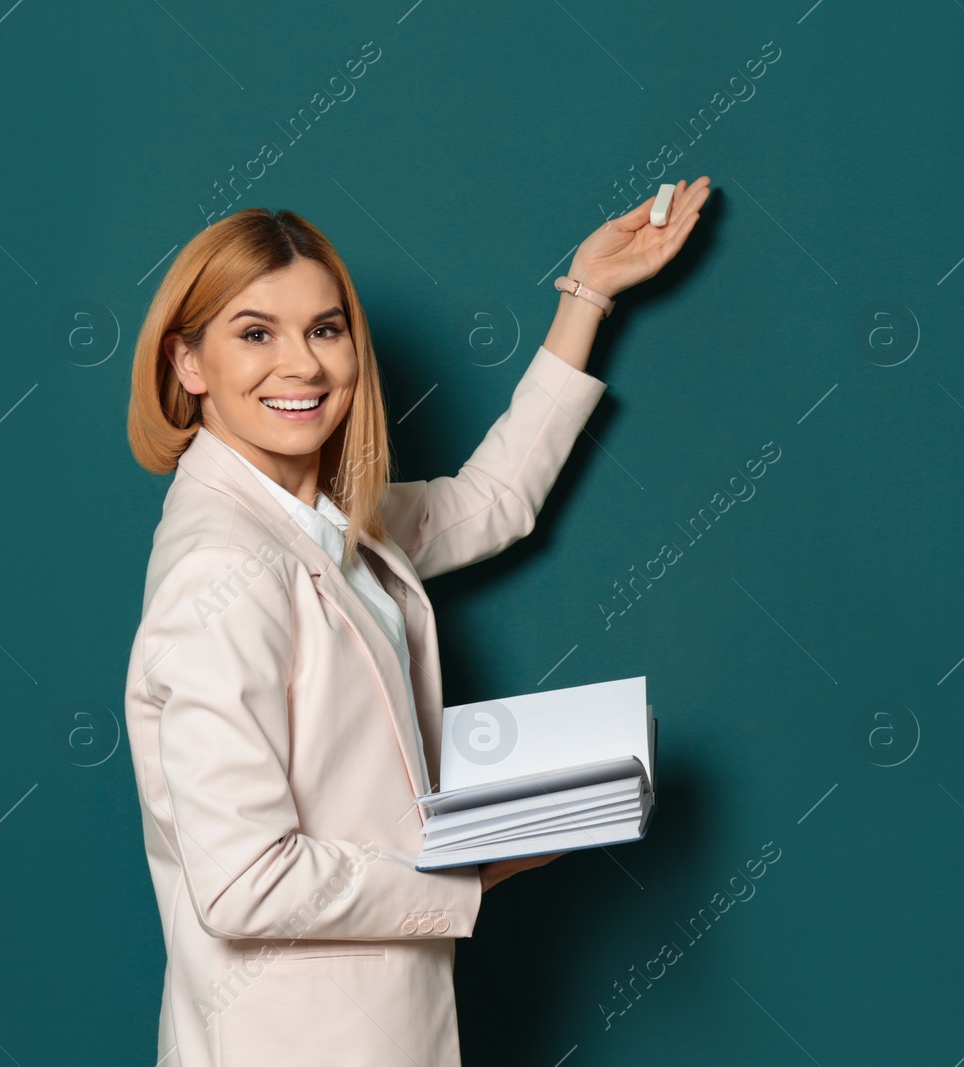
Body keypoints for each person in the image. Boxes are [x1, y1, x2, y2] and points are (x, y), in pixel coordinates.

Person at [122, 177, 711, 1066]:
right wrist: (466, 868)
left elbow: (491, 501)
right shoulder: (224, 569)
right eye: (255, 333)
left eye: (325, 328)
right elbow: (243, 882)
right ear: (188, 364)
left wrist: (587, 294)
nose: (304, 365)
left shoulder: (317, 515)